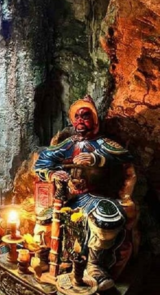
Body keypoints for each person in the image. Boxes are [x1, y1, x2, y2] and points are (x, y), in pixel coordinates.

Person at [34, 95, 136, 291]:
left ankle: (94, 266)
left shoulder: (103, 143)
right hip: (67, 198)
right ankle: (51, 261)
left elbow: (125, 156)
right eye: (77, 117)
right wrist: (54, 173)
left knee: (108, 218)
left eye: (86, 116)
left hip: (94, 197)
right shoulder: (68, 144)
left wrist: (96, 159)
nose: (80, 120)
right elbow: (43, 161)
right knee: (42, 219)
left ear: (95, 120)